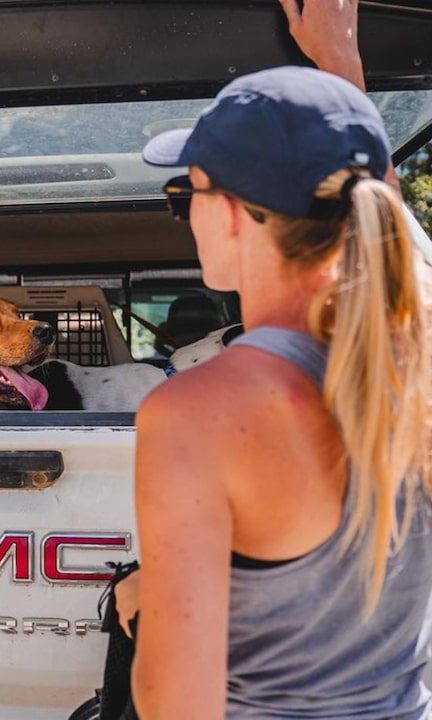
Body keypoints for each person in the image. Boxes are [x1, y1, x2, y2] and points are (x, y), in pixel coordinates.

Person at [111, 3, 432, 719]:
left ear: (230, 213)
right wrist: (340, 76)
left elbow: (177, 708)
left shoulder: (200, 413)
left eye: (184, 193)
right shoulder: (416, 363)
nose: (184, 213)